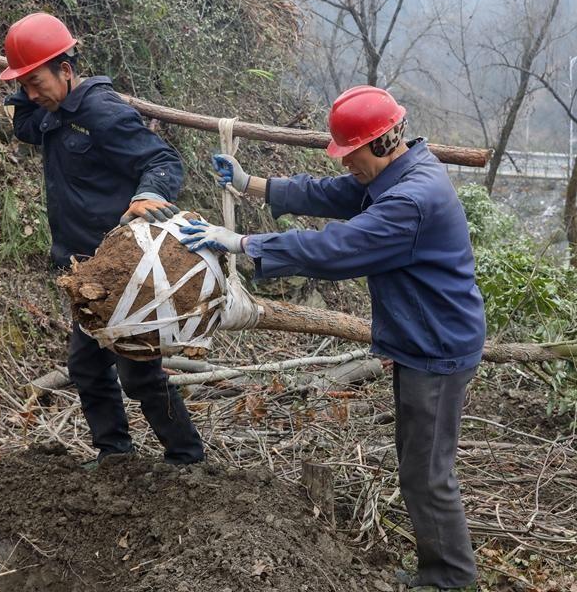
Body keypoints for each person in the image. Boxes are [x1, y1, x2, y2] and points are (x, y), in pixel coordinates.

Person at [180, 86, 485, 591]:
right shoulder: (399, 171)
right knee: (418, 466)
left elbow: (333, 249)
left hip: (437, 348)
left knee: (427, 474)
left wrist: (240, 241)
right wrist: (253, 184)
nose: (347, 167)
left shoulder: (411, 200)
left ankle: (451, 580)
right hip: (423, 339)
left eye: (351, 155)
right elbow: (331, 194)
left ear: (383, 143)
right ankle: (442, 571)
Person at [0, 11, 203, 466]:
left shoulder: (103, 113)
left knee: (138, 376)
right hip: (85, 272)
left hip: (122, 271)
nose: (33, 95)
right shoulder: (51, 112)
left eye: (38, 83)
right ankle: (115, 456)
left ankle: (187, 458)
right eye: (26, 87)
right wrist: (25, 86)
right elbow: (24, 126)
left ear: (66, 70)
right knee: (87, 368)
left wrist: (149, 193)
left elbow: (163, 161)